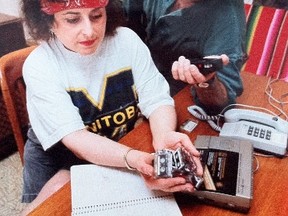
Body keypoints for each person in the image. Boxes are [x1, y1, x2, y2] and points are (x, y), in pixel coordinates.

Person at [20, 0, 203, 215]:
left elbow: (156, 99)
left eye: (96, 16)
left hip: (113, 150)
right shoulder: (40, 65)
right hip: (60, 160)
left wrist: (163, 136)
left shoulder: (126, 41)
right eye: (72, 19)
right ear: (48, 21)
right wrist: (136, 160)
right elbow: (77, 140)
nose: (88, 31)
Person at [123, 0, 248, 115]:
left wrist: (207, 82)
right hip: (128, 78)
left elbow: (221, 104)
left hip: (175, 99)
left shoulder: (228, 14)